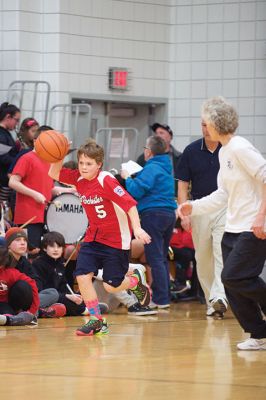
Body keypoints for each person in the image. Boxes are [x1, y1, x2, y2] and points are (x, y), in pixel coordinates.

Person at [178, 96, 266, 351]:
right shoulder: (226, 151)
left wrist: (261, 217)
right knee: (231, 282)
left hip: (253, 226)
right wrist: (193, 207)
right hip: (233, 227)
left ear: (215, 123)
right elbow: (223, 194)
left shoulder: (239, 147)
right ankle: (258, 334)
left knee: (233, 276)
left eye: (206, 121)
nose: (204, 125)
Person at [49, 138, 151, 336]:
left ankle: (135, 281)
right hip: (94, 237)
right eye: (81, 163)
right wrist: (58, 154)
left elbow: (130, 204)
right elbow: (53, 173)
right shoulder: (78, 178)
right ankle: (96, 320)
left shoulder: (106, 180)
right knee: (82, 275)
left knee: (111, 286)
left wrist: (137, 229)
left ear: (99, 164)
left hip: (115, 240)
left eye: (89, 164)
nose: (84, 167)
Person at [177, 118, 227, 318]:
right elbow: (182, 185)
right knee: (203, 257)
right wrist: (184, 212)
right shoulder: (191, 151)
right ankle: (211, 301)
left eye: (210, 125)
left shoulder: (229, 150)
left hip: (225, 208)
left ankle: (220, 296)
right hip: (199, 209)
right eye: (203, 125)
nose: (206, 129)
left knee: (220, 253)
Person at [121, 136, 177, 309]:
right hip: (168, 215)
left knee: (155, 259)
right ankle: (165, 297)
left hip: (154, 214)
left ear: (149, 151)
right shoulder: (166, 167)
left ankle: (160, 299)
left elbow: (136, 191)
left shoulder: (151, 167)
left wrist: (128, 178)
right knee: (161, 258)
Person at [8, 128, 54, 251]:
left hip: (44, 216)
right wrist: (34, 194)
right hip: (28, 215)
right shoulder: (27, 158)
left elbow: (49, 188)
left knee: (41, 255)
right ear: (35, 141)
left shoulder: (49, 161)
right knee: (29, 255)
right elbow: (12, 182)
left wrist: (69, 192)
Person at [5, 226, 64, 318]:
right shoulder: (4, 261)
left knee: (53, 293)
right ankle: (38, 311)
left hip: (27, 298)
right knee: (22, 285)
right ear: (8, 244)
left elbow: (37, 282)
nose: (22, 243)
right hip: (8, 299)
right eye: (18, 240)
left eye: (24, 240)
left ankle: (32, 311)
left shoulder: (24, 261)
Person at [0, 245, 39, 326]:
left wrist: (32, 311)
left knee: (7, 312)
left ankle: (14, 319)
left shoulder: (10, 272)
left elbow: (32, 283)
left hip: (4, 304)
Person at [0, 102, 21, 205]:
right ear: (8, 117)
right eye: (16, 120)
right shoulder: (1, 135)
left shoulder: (5, 134)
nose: (17, 124)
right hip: (2, 181)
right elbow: (2, 157)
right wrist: (20, 160)